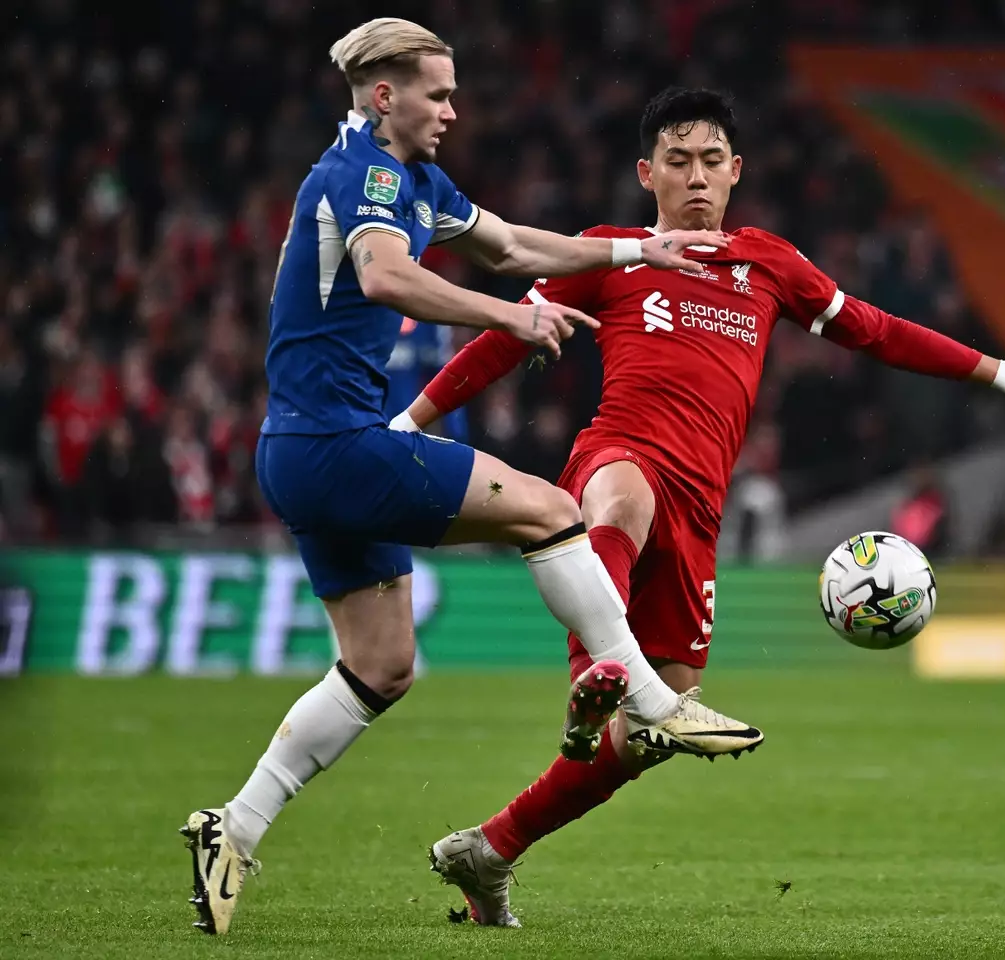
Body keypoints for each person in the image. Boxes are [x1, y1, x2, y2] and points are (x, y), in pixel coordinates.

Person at [395, 86, 1005, 926]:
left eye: (711, 162)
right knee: (619, 494)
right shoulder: (610, 253)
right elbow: (505, 334)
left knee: (651, 734)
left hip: (702, 514)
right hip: (621, 457)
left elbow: (874, 329)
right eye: (677, 162)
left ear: (736, 173)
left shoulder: (768, 263)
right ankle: (600, 677)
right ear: (647, 173)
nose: (695, 177)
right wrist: (409, 425)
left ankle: (492, 849)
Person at [180, 25, 762, 937]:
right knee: (552, 511)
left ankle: (234, 828)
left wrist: (630, 255)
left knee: (382, 665)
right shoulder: (364, 172)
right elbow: (385, 276)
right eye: (437, 94)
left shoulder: (416, 182)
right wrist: (509, 322)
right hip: (339, 444)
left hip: (299, 451)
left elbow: (514, 247)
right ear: (384, 97)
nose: (453, 111)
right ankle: (652, 699)